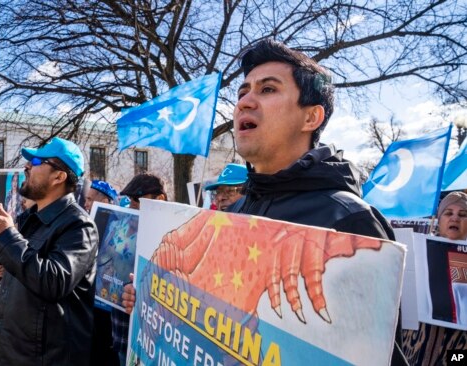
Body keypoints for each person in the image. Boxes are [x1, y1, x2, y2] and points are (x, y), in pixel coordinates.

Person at [122, 39, 408, 365]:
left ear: (311, 117)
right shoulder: (234, 213)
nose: (244, 102)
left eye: (268, 90)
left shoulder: (350, 222)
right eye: (243, 92)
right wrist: (150, 302)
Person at [0, 137, 99, 365]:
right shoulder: (29, 218)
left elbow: (53, 281)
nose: (27, 166)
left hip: (42, 357)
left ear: (59, 176)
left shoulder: (79, 225)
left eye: (36, 161)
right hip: (11, 351)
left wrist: (6, 237)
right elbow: (24, 267)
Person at [403, 191, 467, 365]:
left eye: (462, 214)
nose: (455, 218)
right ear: (439, 220)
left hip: (458, 348)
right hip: (416, 344)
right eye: (448, 213)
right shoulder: (418, 251)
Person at [112, 173, 167, 366]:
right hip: (121, 335)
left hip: (150, 347)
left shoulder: (170, 237)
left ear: (160, 199)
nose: (131, 205)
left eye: (137, 200)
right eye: (129, 200)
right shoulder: (125, 228)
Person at [83, 179, 120, 366]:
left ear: (104, 201)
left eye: (90, 199)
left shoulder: (119, 225)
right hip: (91, 300)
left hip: (108, 305)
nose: (85, 204)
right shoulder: (87, 223)